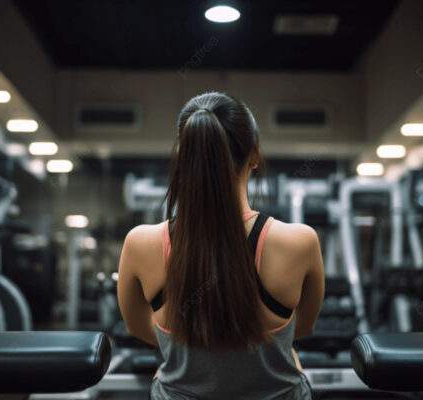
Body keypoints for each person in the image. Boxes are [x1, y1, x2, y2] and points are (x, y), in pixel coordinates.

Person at [118, 92, 324, 399]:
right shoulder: (299, 242)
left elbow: (140, 328)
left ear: (185, 158)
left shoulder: (140, 243)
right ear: (254, 155)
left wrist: (192, 345)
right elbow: (302, 328)